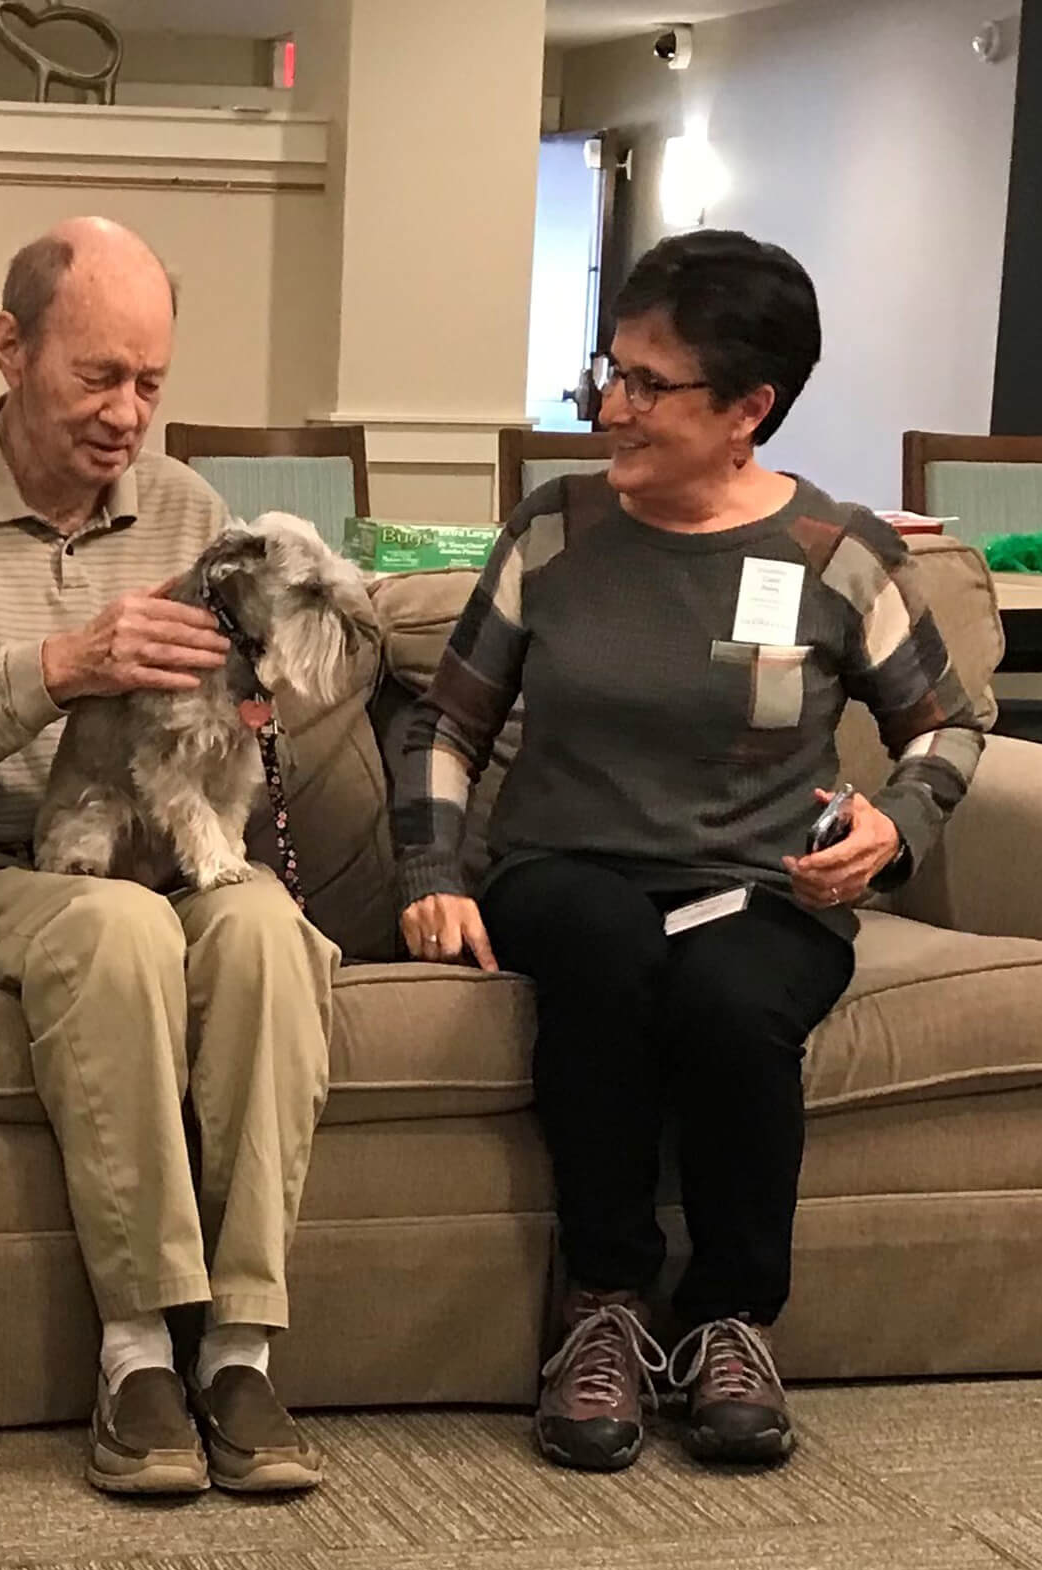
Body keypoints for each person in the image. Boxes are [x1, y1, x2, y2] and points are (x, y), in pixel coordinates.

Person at [394, 230, 985, 1472]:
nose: (610, 406)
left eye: (647, 385)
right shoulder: (553, 532)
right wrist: (433, 872)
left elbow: (947, 726)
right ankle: (601, 1308)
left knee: (730, 1001)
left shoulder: (836, 553)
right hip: (568, 868)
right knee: (604, 945)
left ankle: (727, 1320)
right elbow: (448, 718)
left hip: (761, 888)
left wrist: (893, 828)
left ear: (747, 409)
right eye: (608, 372)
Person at [0, 217, 334, 1497]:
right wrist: (57, 669)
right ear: (10, 347)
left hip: (170, 844)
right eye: (97, 377)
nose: (128, 414)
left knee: (267, 925)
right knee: (114, 927)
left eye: (151, 383)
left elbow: (240, 705)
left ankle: (240, 1342)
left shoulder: (188, 510)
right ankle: (135, 1347)